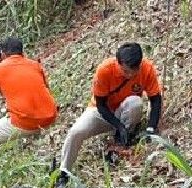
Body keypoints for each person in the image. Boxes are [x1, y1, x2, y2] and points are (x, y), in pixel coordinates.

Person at [58, 43, 163, 178]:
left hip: (125, 110)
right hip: (101, 112)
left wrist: (151, 128)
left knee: (135, 102)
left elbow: (155, 98)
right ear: (118, 63)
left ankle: (122, 141)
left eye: (133, 71)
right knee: (76, 132)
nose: (130, 75)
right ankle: (64, 171)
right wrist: (118, 125)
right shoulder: (105, 70)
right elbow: (101, 105)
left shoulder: (147, 69)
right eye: (125, 71)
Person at [0, 37, 58, 172]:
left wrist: (0, 87)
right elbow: (46, 87)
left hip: (25, 121)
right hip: (50, 116)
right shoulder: (35, 65)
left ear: (3, 53)